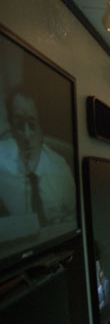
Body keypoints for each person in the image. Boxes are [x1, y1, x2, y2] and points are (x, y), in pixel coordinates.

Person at [0, 91, 76, 227]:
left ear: (41, 128)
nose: (26, 135)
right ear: (12, 128)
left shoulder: (60, 168)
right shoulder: (2, 160)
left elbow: (75, 218)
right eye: (19, 124)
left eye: (32, 124)